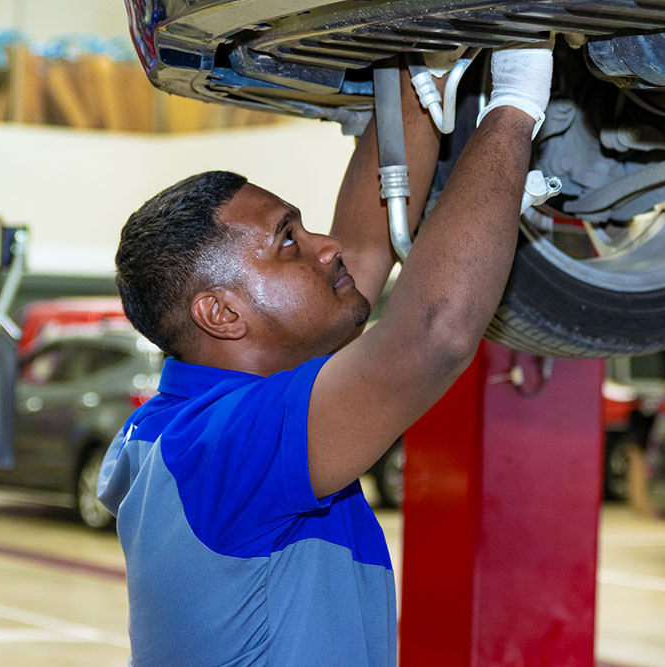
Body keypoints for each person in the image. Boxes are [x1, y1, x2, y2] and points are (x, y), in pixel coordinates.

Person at [97, 43, 553, 666]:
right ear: (222, 313)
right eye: (289, 242)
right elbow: (435, 335)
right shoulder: (217, 448)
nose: (326, 244)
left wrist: (417, 60)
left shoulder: (176, 432)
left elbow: (367, 246)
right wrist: (516, 103)